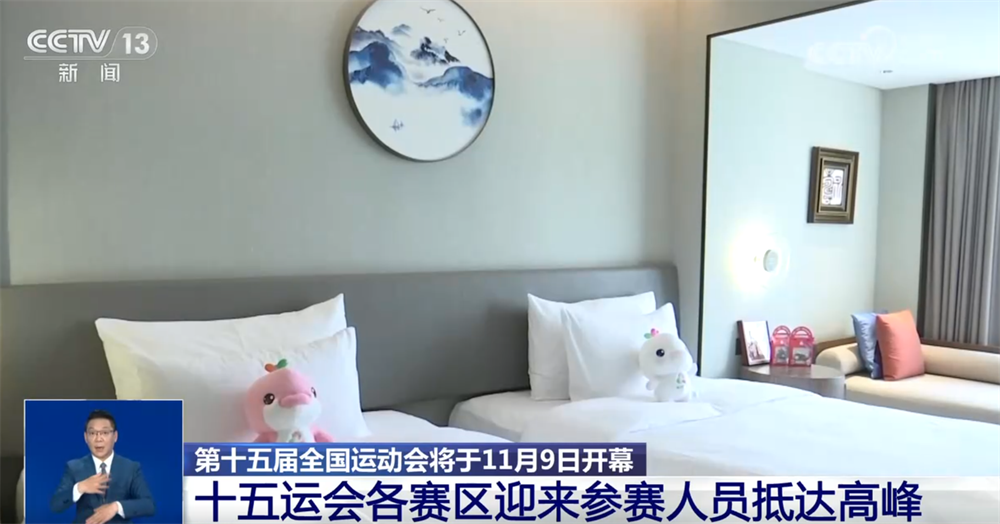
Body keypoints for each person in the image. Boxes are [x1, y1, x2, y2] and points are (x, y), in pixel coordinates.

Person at [50, 410, 155, 524]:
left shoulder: (131, 468)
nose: (98, 439)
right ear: (86, 437)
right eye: (93, 433)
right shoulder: (74, 467)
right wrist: (80, 487)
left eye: (104, 433)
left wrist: (116, 507)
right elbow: (55, 505)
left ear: (115, 436)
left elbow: (149, 505)